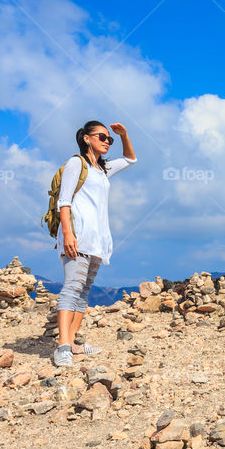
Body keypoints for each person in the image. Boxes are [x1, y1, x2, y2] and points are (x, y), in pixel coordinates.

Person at [53, 120, 136, 367]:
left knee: (83, 292)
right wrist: (68, 234)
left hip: (98, 240)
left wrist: (124, 135)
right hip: (78, 237)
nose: (107, 141)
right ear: (86, 138)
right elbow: (64, 201)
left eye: (109, 139)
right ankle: (62, 346)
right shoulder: (76, 163)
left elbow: (131, 159)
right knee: (72, 288)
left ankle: (74, 342)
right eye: (102, 136)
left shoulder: (102, 169)